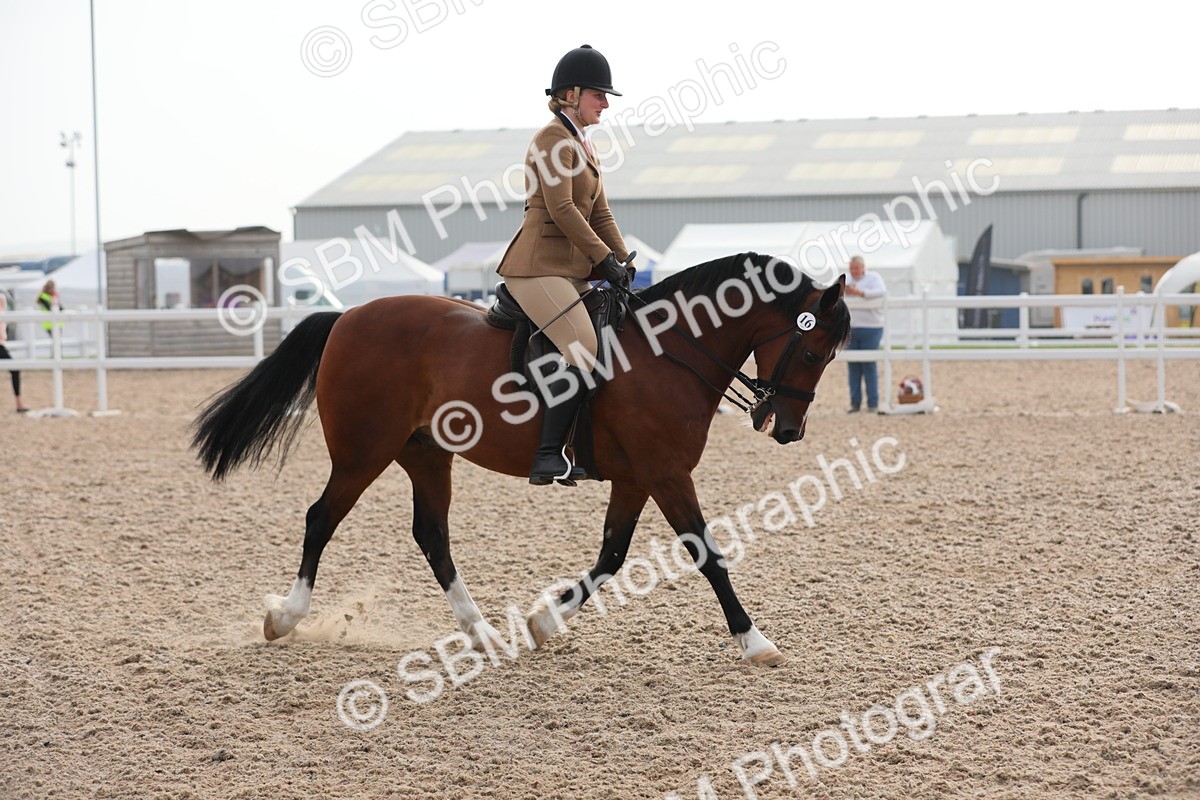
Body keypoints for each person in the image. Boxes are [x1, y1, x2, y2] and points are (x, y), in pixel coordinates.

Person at [497, 44, 635, 485]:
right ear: (571, 94)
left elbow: (601, 214)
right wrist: (602, 259)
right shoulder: (551, 140)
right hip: (537, 266)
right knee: (582, 344)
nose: (606, 104)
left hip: (569, 269)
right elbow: (562, 210)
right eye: (600, 95)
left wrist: (623, 261)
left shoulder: (585, 145)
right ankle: (546, 454)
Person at [844, 255, 887, 412]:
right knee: (853, 364)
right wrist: (848, 291)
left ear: (863, 268)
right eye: (852, 268)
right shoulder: (845, 279)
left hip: (871, 327)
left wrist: (861, 292)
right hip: (850, 328)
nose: (854, 271)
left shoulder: (874, 277)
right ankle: (855, 402)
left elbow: (881, 291)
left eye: (857, 268)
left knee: (869, 364)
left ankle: (873, 402)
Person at [0, 292, 29, 412]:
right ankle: (19, 403)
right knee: (14, 369)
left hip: (0, 343)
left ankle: (19, 403)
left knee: (15, 368)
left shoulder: (1, 298)